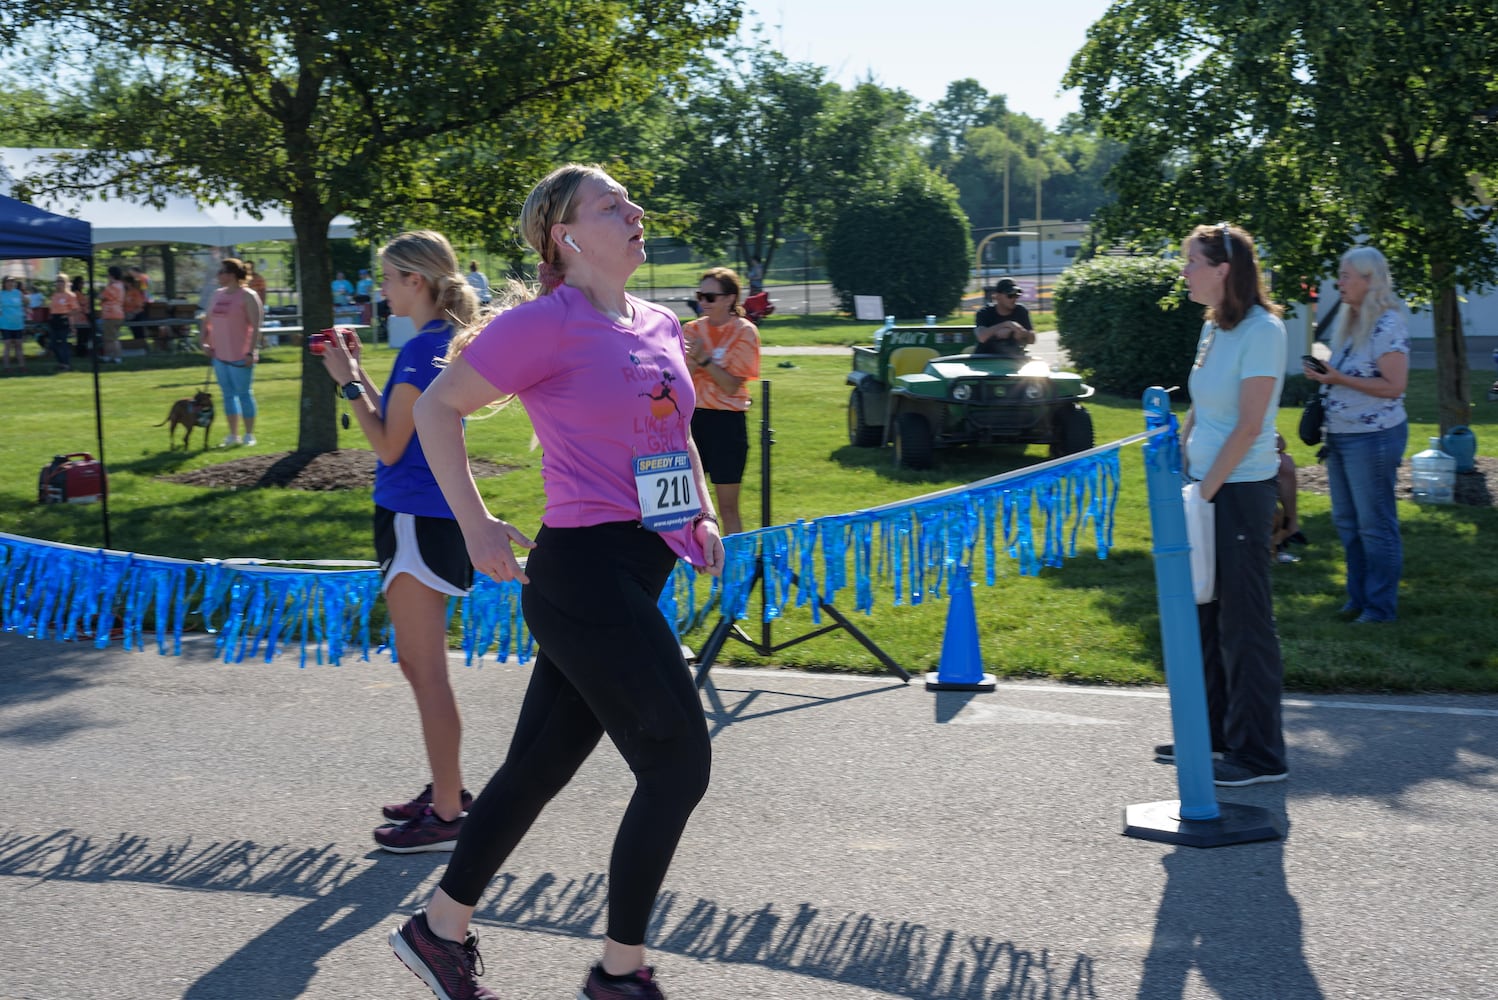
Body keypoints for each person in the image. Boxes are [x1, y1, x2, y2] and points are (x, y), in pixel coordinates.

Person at [389, 163, 724, 1000]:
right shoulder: (546, 324)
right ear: (566, 237)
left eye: (631, 200)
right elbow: (436, 410)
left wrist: (701, 512)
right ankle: (619, 973)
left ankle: (438, 930)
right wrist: (474, 525)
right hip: (583, 574)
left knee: (536, 769)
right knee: (679, 766)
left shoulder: (657, 323)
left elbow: (671, 432)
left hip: (638, 569)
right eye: (613, 206)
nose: (635, 211)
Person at [319, 231, 481, 853]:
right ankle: (448, 790)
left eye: (386, 278)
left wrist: (344, 380)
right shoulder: (435, 343)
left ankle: (447, 815)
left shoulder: (422, 350)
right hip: (417, 514)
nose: (378, 289)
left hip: (416, 515)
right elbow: (404, 432)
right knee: (417, 665)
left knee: (427, 670)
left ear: (417, 282)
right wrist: (358, 370)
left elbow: (388, 444)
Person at [1159, 221, 1289, 787]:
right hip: (1204, 485)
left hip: (1239, 489)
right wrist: (1182, 459)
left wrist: (1206, 491)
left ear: (1223, 270)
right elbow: (1201, 408)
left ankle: (1260, 754)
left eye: (1191, 262)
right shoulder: (1213, 327)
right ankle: (1212, 735)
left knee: (1245, 622)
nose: (1184, 271)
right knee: (1205, 615)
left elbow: (1251, 424)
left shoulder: (1264, 330)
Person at [1302, 246, 1409, 624]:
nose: (1339, 282)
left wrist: (1338, 378)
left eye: (1346, 276)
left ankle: (1379, 609)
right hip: (1343, 436)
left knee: (1375, 525)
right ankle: (1358, 598)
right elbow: (1349, 375)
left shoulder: (1387, 323)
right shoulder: (1352, 320)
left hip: (1374, 438)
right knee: (1348, 523)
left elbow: (1394, 385)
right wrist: (1325, 375)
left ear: (1369, 279)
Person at [683, 266, 761, 536]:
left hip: (727, 424)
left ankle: (733, 570)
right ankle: (691, 564)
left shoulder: (745, 332)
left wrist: (704, 360)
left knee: (727, 508)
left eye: (710, 297)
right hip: (691, 421)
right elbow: (681, 378)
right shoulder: (691, 330)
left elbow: (730, 385)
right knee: (687, 506)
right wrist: (699, 365)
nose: (703, 302)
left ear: (730, 299)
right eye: (699, 296)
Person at [201, 257, 263, 447]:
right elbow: (207, 321)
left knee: (244, 394)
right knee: (227, 394)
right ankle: (232, 435)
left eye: (221, 272)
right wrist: (205, 342)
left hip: (241, 355)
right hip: (220, 355)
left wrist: (250, 352)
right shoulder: (217, 294)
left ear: (232, 274)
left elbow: (256, 326)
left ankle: (249, 435)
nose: (218, 275)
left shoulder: (248, 295)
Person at [973, 277, 1036, 356]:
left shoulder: (1021, 311)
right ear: (998, 296)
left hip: (1013, 360)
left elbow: (1032, 339)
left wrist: (1021, 332)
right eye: (1010, 295)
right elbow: (982, 337)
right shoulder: (985, 312)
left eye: (1016, 296)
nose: (1014, 299)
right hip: (986, 359)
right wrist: (1006, 324)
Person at [46, 274, 78, 372]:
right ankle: (61, 362)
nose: (59, 283)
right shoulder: (54, 295)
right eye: (58, 281)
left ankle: (66, 364)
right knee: (53, 344)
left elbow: (76, 309)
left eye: (62, 281)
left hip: (64, 319)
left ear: (66, 283)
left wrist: (67, 316)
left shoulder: (70, 295)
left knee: (63, 343)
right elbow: (51, 308)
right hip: (54, 319)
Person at [99, 266, 127, 365]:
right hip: (119, 313)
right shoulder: (121, 285)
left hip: (111, 314)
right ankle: (111, 356)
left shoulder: (112, 287)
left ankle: (114, 357)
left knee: (111, 338)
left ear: (111, 275)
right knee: (112, 337)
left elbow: (102, 297)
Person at [0, 277, 26, 372]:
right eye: (8, 281)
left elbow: (26, 302)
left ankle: (22, 366)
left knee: (19, 345)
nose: (10, 283)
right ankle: (7, 367)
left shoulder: (18, 293)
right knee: (7, 345)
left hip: (18, 323)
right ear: (4, 283)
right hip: (5, 324)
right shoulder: (1, 294)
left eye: (12, 281)